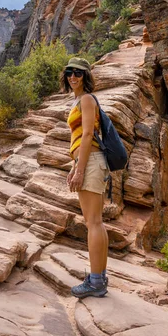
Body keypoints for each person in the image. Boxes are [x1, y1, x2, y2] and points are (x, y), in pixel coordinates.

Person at [62, 57, 109, 298]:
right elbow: (81, 137)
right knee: (96, 222)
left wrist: (79, 169)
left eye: (78, 73)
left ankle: (96, 282)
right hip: (87, 161)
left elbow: (89, 133)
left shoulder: (88, 99)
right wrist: (74, 166)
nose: (73, 77)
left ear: (86, 76)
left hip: (90, 162)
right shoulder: (78, 100)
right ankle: (99, 277)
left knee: (93, 223)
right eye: (70, 72)